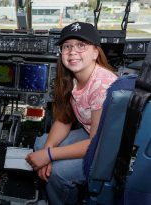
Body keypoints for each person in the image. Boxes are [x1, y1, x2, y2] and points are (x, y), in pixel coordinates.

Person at [26, 22, 118, 205]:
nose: (72, 51)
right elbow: (64, 119)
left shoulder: (102, 86)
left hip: (111, 147)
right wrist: (47, 150)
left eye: (81, 45)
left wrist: (50, 156)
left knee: (59, 173)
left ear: (95, 52)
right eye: (67, 46)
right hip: (95, 135)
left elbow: (96, 143)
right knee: (40, 143)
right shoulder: (71, 80)